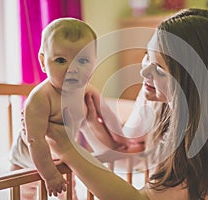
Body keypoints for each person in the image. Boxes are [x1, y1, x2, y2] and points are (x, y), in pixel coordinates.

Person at [46, 8, 208, 200]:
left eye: (160, 69)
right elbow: (129, 153)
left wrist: (69, 150)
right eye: (147, 56)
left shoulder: (201, 137)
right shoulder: (157, 98)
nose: (144, 72)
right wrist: (90, 121)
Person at [9, 17, 123, 199]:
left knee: (70, 192)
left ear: (95, 62)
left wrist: (121, 138)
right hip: (26, 165)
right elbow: (35, 141)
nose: (73, 68)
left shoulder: (87, 91)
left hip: (61, 160)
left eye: (82, 61)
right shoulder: (40, 98)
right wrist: (50, 175)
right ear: (43, 62)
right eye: (61, 60)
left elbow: (108, 117)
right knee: (24, 195)